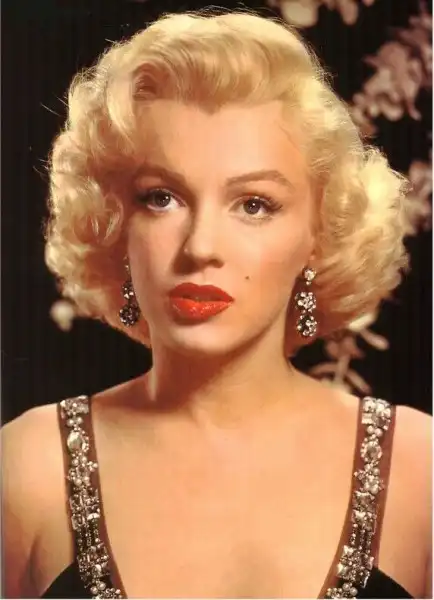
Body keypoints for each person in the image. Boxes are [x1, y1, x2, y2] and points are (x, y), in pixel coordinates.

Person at [2, 8, 431, 599]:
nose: (201, 247)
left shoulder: (418, 470)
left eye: (254, 204)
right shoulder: (29, 470)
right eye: (161, 198)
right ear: (114, 224)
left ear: (320, 233)